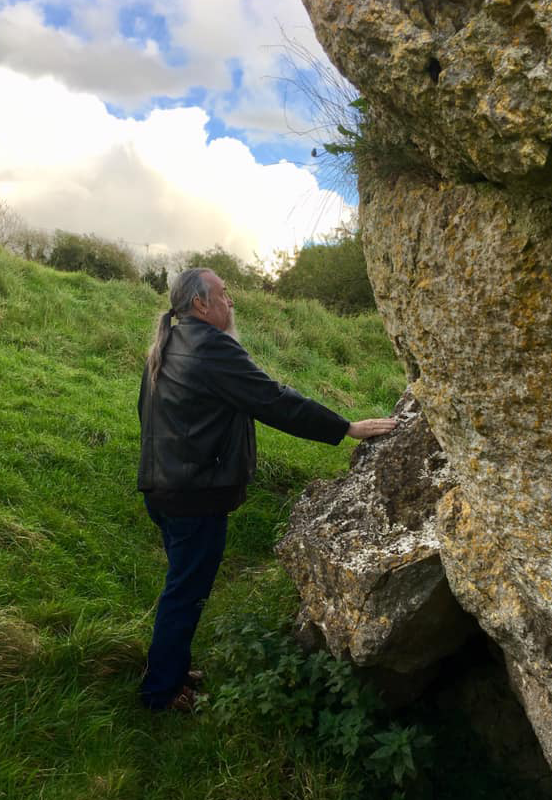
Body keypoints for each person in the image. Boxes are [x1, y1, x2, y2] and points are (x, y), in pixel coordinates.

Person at [137, 268, 397, 711]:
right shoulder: (210, 347)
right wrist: (345, 427)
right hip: (192, 496)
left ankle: (172, 670)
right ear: (201, 304)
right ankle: (161, 693)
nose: (231, 301)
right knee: (186, 591)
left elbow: (147, 412)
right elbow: (274, 399)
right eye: (224, 293)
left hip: (163, 488)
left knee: (181, 584)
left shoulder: (171, 342)